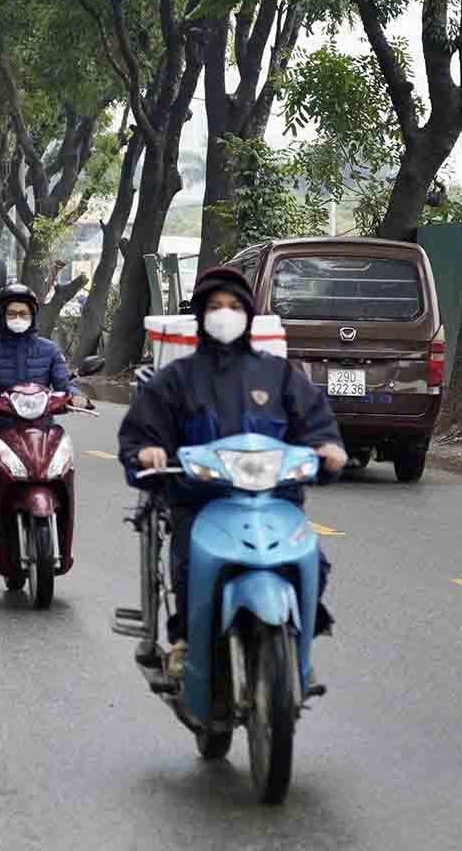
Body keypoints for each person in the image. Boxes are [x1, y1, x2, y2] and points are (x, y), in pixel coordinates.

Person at [118, 266, 348, 678]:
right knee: (189, 565)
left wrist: (328, 449)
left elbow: (314, 422)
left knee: (314, 561)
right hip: (202, 501)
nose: (225, 314)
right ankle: (187, 641)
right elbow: (142, 430)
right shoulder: (177, 379)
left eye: (234, 306)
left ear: (249, 313)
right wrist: (148, 451)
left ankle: (297, 644)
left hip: (275, 500)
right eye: (216, 306)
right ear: (202, 315)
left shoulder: (279, 376)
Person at [0, 283, 93, 442]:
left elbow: (63, 383)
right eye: (12, 314)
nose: (18, 318)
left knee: (62, 457)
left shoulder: (50, 350)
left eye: (23, 314)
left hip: (42, 427)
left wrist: (76, 396)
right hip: (1, 426)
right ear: (2, 315)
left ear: (32, 316)